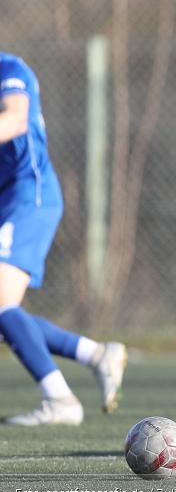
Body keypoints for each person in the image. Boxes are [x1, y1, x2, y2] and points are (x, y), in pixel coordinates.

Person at [0, 51, 127, 427]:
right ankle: (94, 354)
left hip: (29, 194)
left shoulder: (9, 68)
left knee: (1, 300)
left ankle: (60, 399)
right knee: (5, 310)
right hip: (7, 200)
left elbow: (15, 118)